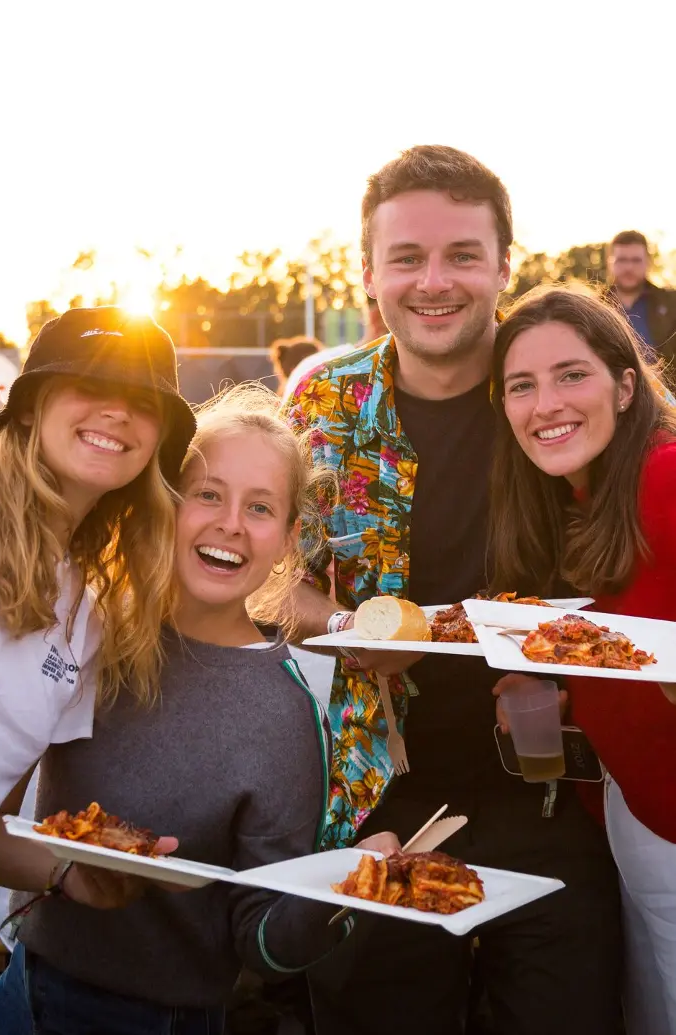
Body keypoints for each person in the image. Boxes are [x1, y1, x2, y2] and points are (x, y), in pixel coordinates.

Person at [284, 145, 623, 1035]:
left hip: (554, 791)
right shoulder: (323, 404)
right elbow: (264, 582)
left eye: (463, 255)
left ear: (505, 265)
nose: (435, 282)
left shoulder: (555, 385)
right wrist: (344, 621)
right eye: (407, 257)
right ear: (367, 272)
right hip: (375, 795)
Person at [0, 384, 396, 1035]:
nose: (231, 521)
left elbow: (263, 944)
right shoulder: (88, 634)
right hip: (21, 990)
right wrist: (68, 872)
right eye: (207, 493)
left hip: (161, 1020)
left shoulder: (285, 714)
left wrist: (343, 892)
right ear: (167, 501)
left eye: (259, 507)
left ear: (289, 538)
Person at [0, 305, 196, 1031]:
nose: (117, 412)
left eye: (144, 402)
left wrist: (74, 872)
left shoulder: (91, 604)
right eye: (88, 383)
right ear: (33, 401)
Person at [489, 285, 676, 1035]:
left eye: (572, 375)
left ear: (625, 385)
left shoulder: (662, 476)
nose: (546, 405)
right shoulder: (589, 500)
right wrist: (573, 692)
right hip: (636, 816)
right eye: (521, 385)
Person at [605, 230, 676, 369]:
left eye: (636, 260)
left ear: (648, 262)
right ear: (610, 263)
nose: (629, 267)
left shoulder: (672, 303)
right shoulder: (594, 306)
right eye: (622, 260)